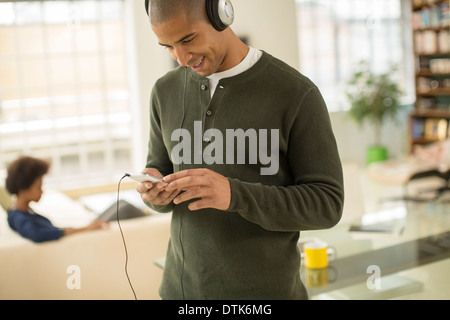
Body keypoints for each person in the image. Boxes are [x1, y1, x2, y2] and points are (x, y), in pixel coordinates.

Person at [136, 0, 344, 300]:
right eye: (167, 46)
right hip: (181, 293)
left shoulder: (296, 94)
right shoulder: (164, 91)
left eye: (187, 39)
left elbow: (327, 204)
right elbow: (161, 176)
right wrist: (154, 194)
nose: (181, 58)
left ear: (221, 14)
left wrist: (234, 194)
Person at [5, 155, 109, 243]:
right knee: (124, 208)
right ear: (23, 189)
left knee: (122, 206)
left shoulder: (22, 211)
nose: (42, 191)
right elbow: (38, 235)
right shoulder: (20, 218)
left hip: (83, 227)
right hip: (83, 236)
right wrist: (87, 228)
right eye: (39, 187)